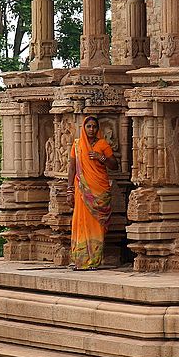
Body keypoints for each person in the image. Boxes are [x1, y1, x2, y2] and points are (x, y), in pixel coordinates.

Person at [66, 116, 118, 270]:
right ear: (84, 128)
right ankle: (80, 260)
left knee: (96, 225)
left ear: (97, 129)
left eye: (94, 127)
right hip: (82, 190)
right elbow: (72, 168)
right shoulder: (77, 145)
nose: (91, 129)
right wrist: (69, 189)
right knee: (80, 222)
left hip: (99, 190)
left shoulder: (102, 144)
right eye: (88, 126)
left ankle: (94, 260)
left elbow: (114, 165)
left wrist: (100, 157)